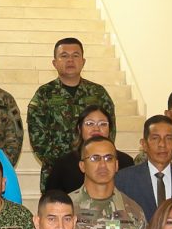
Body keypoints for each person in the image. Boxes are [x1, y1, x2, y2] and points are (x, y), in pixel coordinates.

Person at [28, 37, 116, 190]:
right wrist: (64, 163)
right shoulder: (44, 94)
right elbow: (37, 139)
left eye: (75, 55)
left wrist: (92, 158)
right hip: (57, 172)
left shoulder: (98, 93)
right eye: (64, 56)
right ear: (54, 63)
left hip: (95, 171)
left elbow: (110, 130)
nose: (70, 60)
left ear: (83, 61)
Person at [115, 115, 172, 220]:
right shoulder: (123, 180)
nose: (162, 144)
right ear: (144, 144)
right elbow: (115, 220)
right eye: (155, 138)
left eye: (168, 138)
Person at [45, 105, 134, 194]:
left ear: (110, 129)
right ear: (79, 128)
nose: (96, 129)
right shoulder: (63, 164)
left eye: (103, 124)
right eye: (90, 123)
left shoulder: (125, 162)